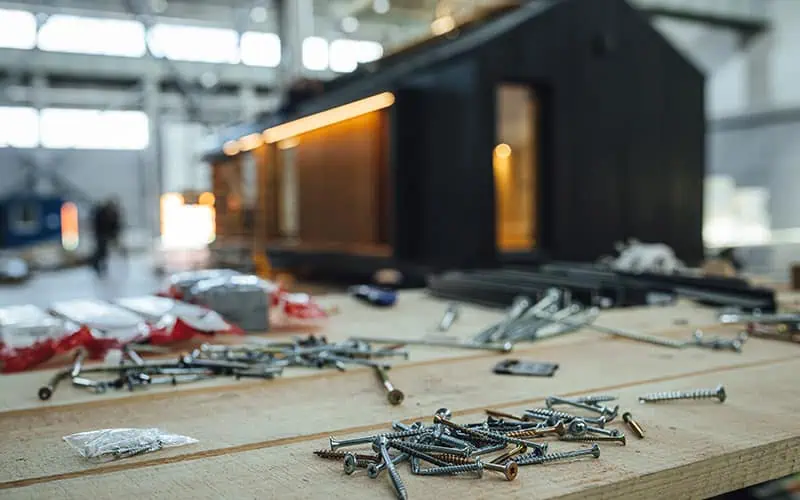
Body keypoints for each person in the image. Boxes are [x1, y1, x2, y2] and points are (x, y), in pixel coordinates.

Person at [89, 198, 123, 277]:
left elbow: (116, 225)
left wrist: (114, 234)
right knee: (101, 251)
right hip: (101, 235)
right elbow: (98, 225)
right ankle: (96, 265)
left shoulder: (112, 214)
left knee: (104, 252)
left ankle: (102, 266)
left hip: (107, 235)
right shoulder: (101, 213)